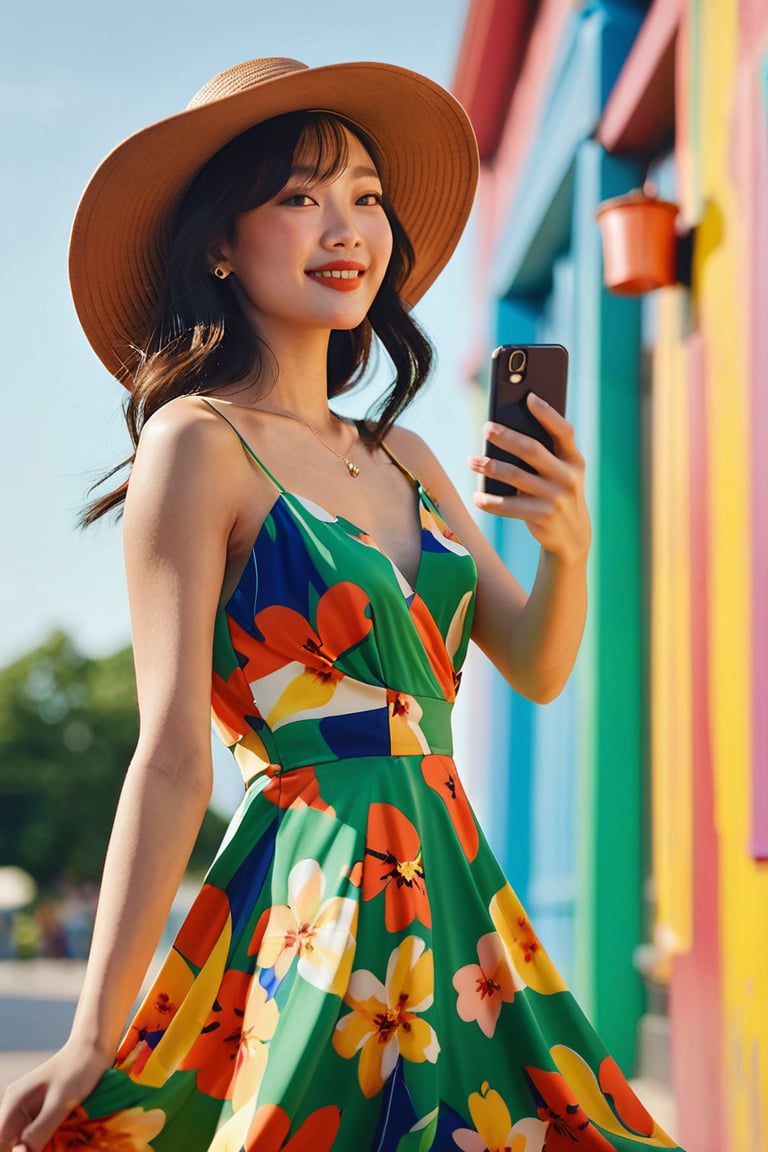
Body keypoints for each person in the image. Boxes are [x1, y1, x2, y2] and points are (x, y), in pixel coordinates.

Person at [0, 57, 680, 1152]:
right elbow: (172, 755)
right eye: (299, 198)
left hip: (457, 902)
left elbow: (540, 667)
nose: (345, 227)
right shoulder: (197, 446)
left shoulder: (406, 456)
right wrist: (94, 1031)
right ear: (219, 243)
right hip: (312, 905)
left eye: (364, 196)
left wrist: (570, 545)